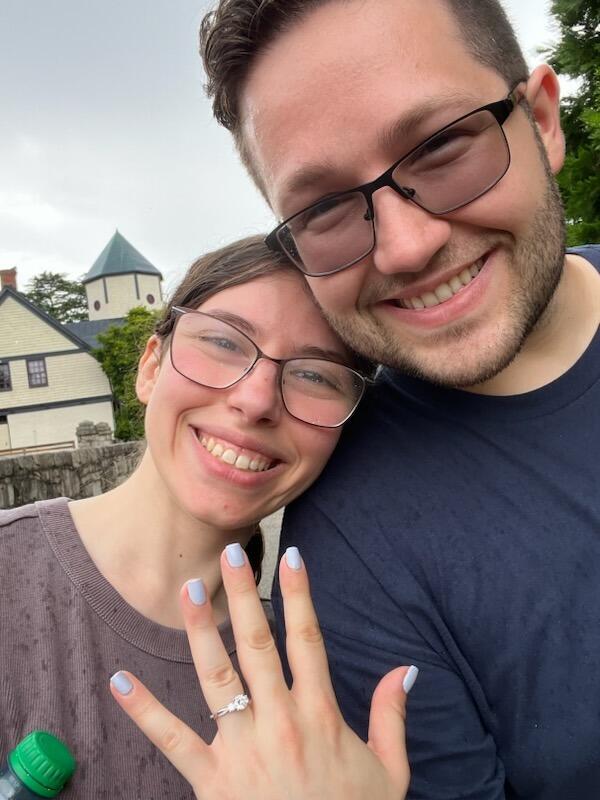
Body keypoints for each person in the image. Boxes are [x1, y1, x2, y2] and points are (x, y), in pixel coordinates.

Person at [198, 0, 600, 797]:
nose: (408, 245)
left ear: (544, 120)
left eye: (444, 146)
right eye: (322, 209)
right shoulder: (351, 556)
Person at [1, 235, 413, 797]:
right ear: (149, 368)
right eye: (222, 341)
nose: (256, 399)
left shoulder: (324, 676)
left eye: (316, 375)